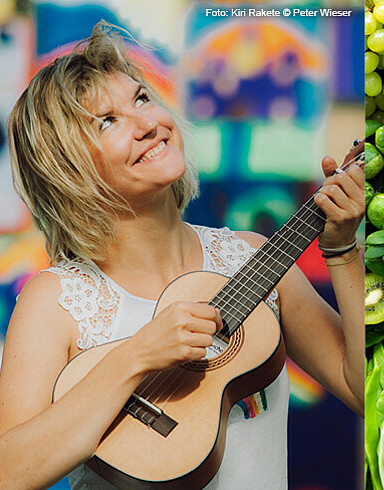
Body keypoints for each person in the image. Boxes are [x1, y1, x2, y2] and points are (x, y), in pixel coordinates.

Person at [0, 24, 364, 488]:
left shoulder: (252, 258)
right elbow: (8, 471)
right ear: (67, 169)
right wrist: (137, 355)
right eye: (107, 121)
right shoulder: (54, 301)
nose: (149, 123)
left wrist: (342, 250)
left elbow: (359, 387)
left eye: (141, 99)